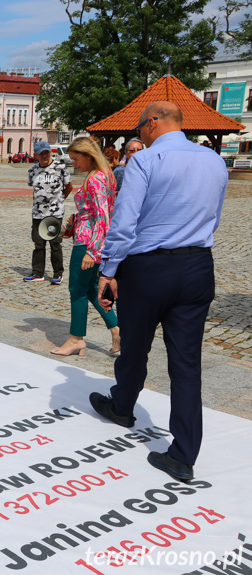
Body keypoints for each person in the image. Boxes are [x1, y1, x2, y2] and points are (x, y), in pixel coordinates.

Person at [91, 101, 228, 483]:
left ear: (152, 123)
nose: (141, 133)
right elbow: (214, 214)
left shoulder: (146, 161)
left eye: (141, 126)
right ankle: (183, 454)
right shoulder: (214, 160)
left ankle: (122, 406)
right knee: (186, 363)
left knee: (135, 343)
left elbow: (125, 220)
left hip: (150, 266)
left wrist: (109, 269)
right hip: (198, 264)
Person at [51, 136, 120, 357]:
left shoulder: (97, 178)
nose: (73, 163)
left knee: (77, 291)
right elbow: (95, 212)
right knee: (90, 290)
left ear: (88, 155)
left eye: (75, 158)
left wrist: (93, 250)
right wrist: (75, 221)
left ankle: (76, 339)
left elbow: (103, 217)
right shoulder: (104, 175)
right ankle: (117, 329)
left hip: (88, 243)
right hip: (87, 238)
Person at [25, 141, 73, 284]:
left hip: (54, 213)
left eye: (47, 152)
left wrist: (60, 200)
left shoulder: (60, 168)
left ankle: (58, 273)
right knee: (38, 243)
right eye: (41, 153)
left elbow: (69, 186)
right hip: (38, 213)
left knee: (55, 243)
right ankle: (37, 272)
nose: (45, 155)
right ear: (36, 155)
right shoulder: (32, 170)